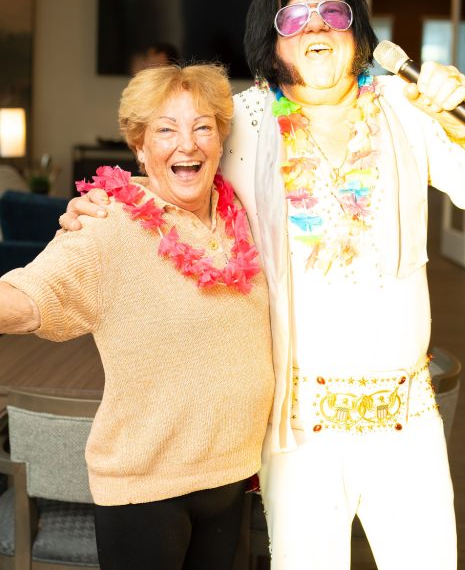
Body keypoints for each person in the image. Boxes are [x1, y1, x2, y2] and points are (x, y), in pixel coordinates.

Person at [60, 0, 465, 570]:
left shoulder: (407, 110)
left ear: (358, 30)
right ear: (271, 39)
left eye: (333, 12)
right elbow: (178, 181)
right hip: (298, 428)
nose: (316, 25)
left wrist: (463, 124)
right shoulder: (245, 122)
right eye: (295, 17)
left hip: (408, 421)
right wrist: (103, 207)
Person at [0, 63, 274, 570]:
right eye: (166, 130)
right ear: (140, 147)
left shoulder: (245, 215)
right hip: (148, 490)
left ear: (221, 139)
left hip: (232, 473)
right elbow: (27, 297)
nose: (186, 144)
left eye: (202, 126)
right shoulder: (108, 224)